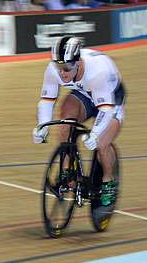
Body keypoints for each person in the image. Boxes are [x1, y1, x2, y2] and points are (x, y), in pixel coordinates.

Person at [32, 36, 124, 206]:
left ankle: (108, 179)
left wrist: (95, 134)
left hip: (110, 99)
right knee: (65, 122)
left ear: (78, 62)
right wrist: (42, 126)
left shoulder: (97, 72)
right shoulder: (54, 69)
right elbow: (47, 100)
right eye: (59, 67)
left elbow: (105, 109)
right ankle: (67, 171)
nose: (62, 72)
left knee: (102, 144)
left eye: (66, 68)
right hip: (84, 93)